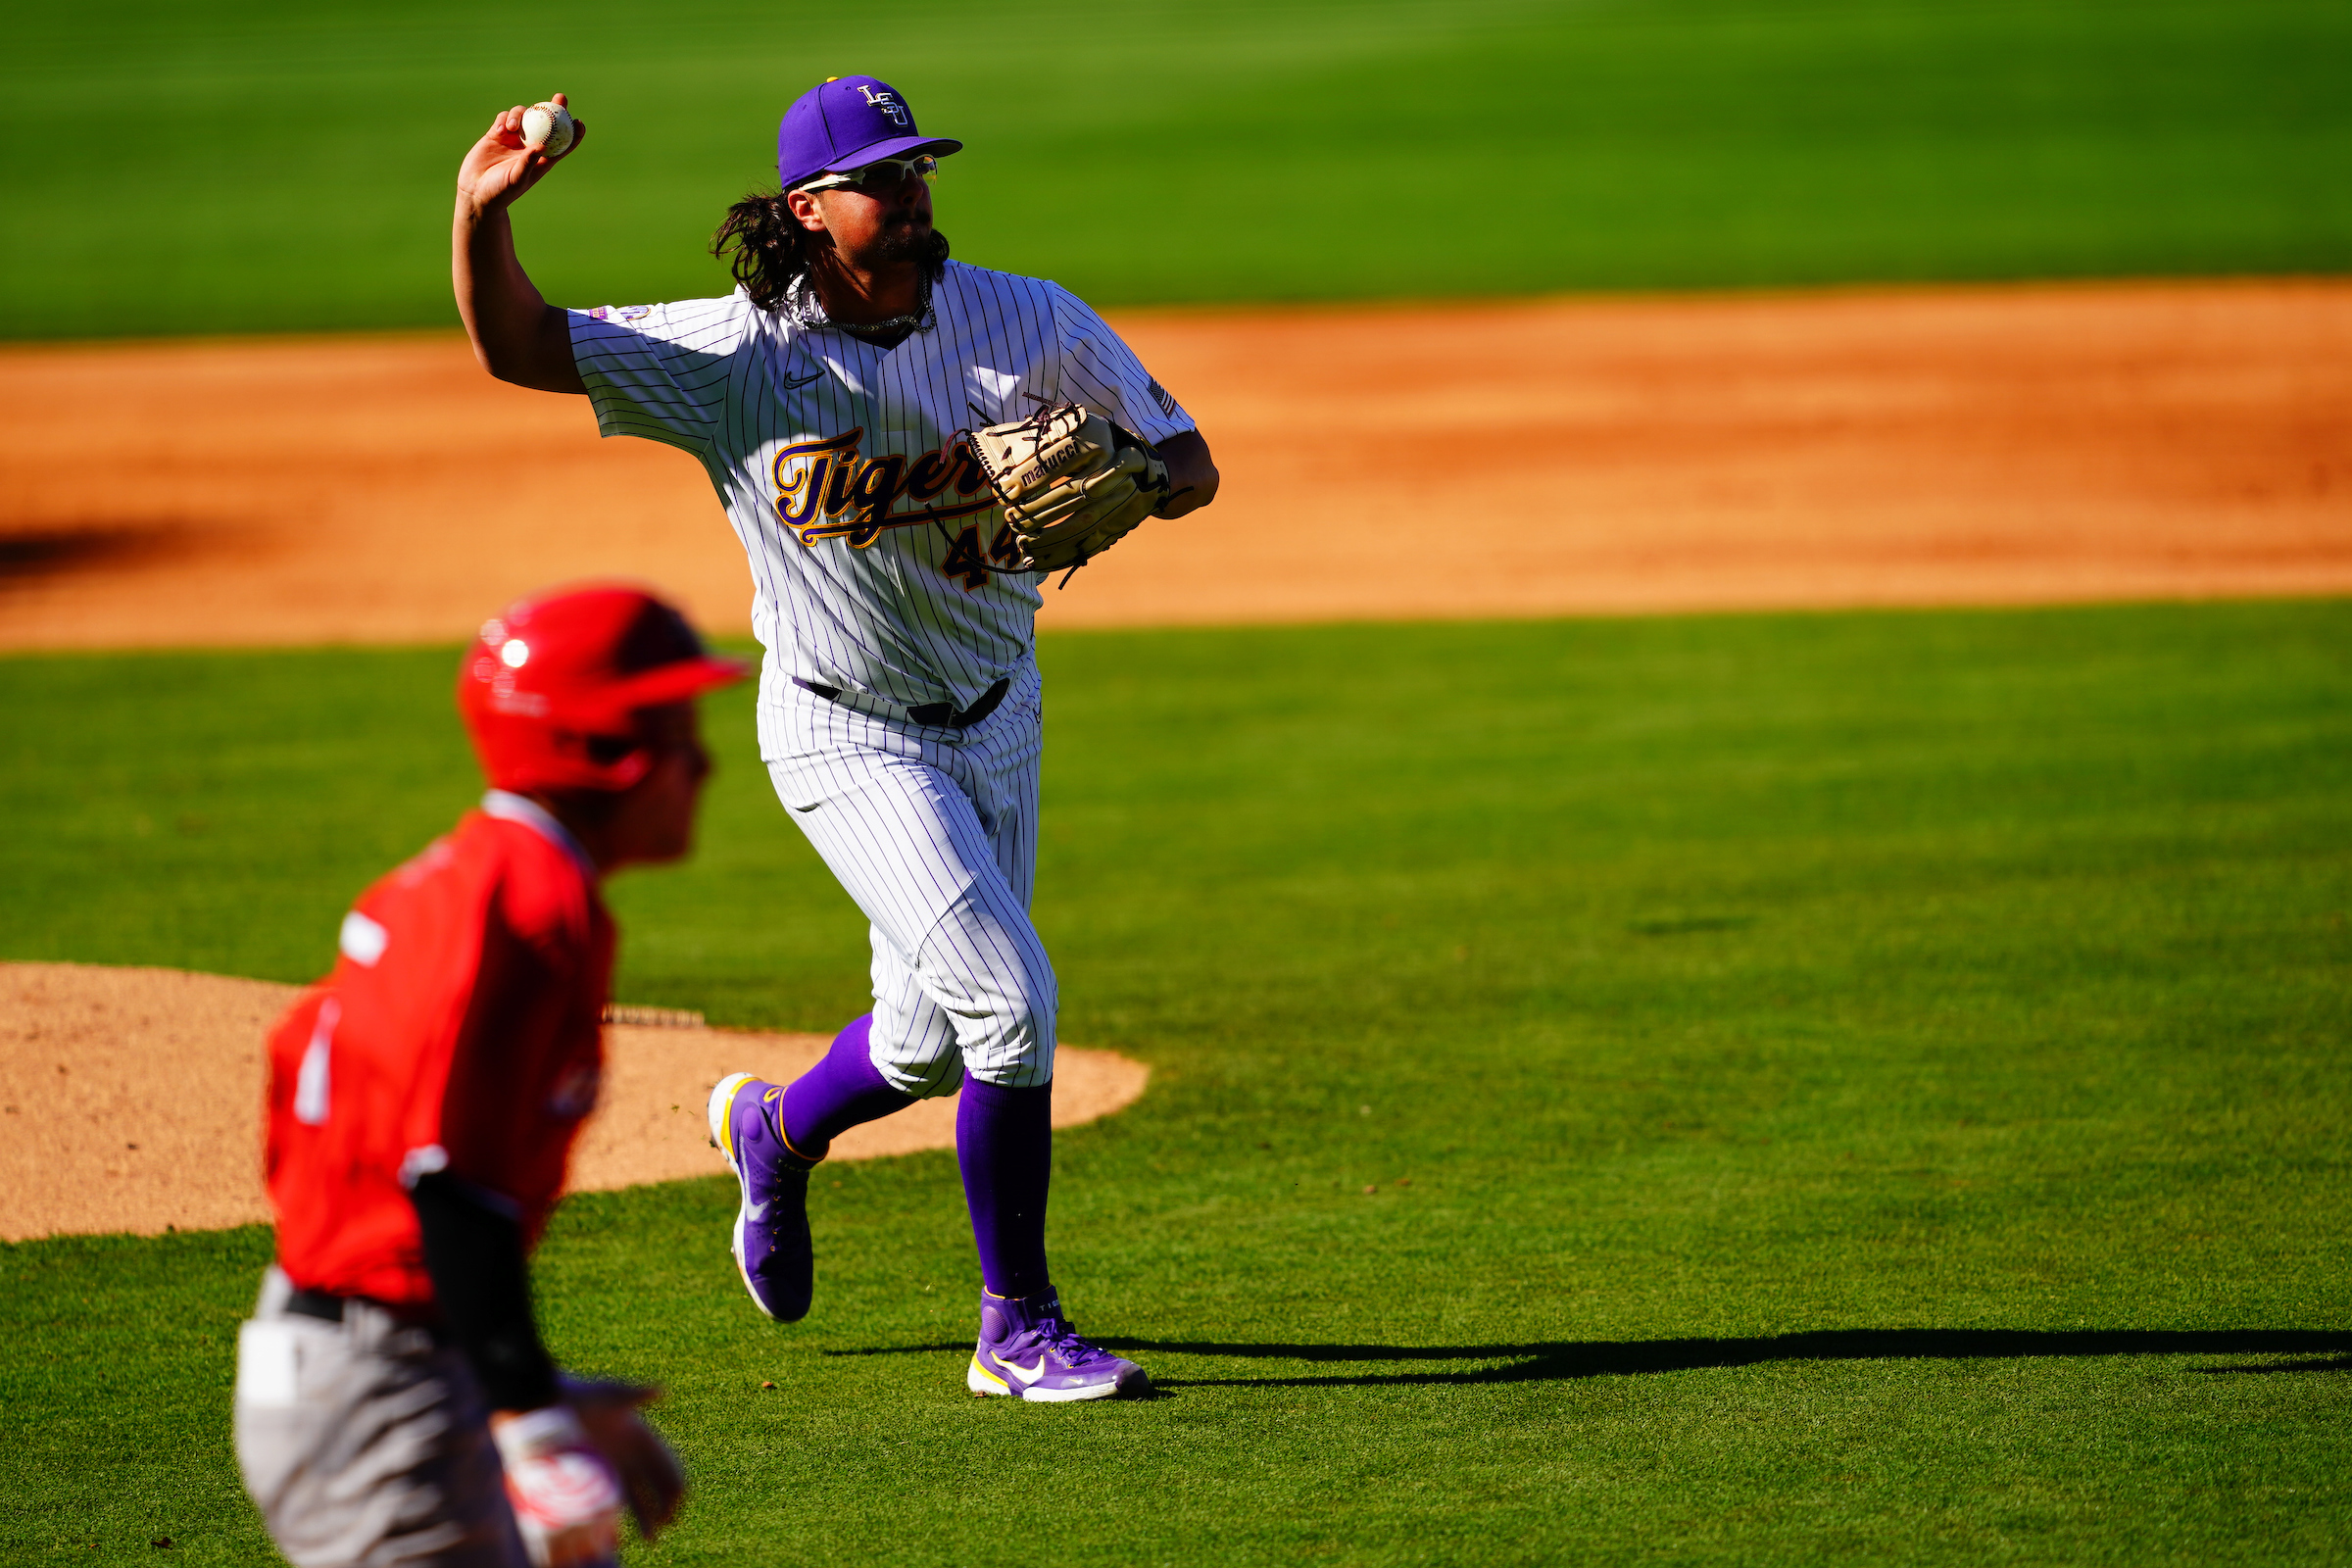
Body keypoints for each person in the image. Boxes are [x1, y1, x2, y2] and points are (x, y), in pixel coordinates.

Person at [451, 76, 1219, 1401]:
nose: (916, 197)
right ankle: (1017, 1328)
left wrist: (1143, 480)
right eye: (886, 180)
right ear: (811, 210)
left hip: (999, 716)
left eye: (921, 173)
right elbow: (519, 345)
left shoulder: (1024, 319)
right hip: (842, 735)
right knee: (1012, 1004)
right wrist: (481, 216)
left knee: (924, 1048)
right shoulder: (732, 353)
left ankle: (772, 1135)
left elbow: (1192, 458)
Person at [234, 585, 743, 1565]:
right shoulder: (531, 906)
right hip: (379, 1390)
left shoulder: (473, 875)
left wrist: (528, 1388)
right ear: (599, 750)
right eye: (678, 732)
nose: (704, 763)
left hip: (381, 1358)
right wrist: (529, 1421)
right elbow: (449, 1186)